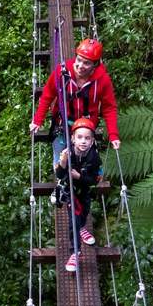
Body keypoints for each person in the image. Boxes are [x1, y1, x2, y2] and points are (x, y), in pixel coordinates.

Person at [29, 37, 121, 159]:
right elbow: (47, 95)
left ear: (95, 65)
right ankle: (61, 178)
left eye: (86, 63)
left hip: (86, 130)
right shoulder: (61, 72)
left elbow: (109, 108)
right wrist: (37, 120)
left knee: (85, 164)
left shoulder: (102, 80)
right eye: (79, 60)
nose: (80, 66)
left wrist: (113, 134)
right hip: (63, 125)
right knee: (61, 161)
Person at [55, 117, 101, 273]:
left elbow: (93, 180)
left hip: (85, 192)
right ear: (73, 138)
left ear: (92, 140)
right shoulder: (67, 154)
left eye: (87, 138)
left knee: (84, 213)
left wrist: (79, 177)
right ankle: (75, 252)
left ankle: (82, 228)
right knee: (74, 220)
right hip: (71, 193)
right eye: (79, 137)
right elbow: (60, 175)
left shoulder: (94, 157)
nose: (83, 141)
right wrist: (62, 163)